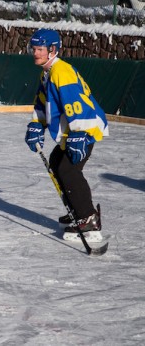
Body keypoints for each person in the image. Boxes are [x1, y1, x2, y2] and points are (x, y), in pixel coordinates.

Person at [24, 29, 108, 242]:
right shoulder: (47, 71)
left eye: (39, 49)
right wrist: (37, 124)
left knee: (68, 170)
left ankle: (88, 218)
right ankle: (76, 212)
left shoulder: (61, 72)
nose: (35, 53)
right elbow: (42, 101)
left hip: (84, 129)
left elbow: (77, 105)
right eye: (33, 49)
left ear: (52, 49)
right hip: (71, 132)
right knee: (56, 162)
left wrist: (81, 134)